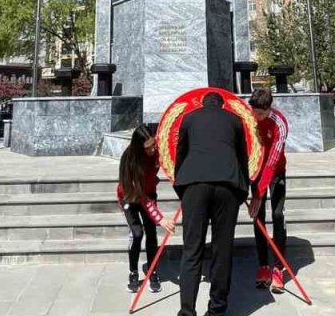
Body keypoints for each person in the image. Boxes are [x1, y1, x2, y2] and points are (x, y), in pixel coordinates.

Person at [173, 91, 250, 316]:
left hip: (194, 185)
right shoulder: (235, 120)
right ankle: (217, 310)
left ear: (203, 104)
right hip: (227, 185)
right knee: (222, 249)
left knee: (192, 250)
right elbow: (242, 157)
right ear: (222, 105)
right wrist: (244, 189)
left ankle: (187, 311)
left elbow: (181, 153)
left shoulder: (189, 118)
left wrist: (181, 185)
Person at [118, 125, 176, 293]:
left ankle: (152, 271)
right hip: (130, 196)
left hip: (148, 194)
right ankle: (133, 272)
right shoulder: (129, 161)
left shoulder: (156, 153)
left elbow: (171, 160)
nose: (153, 149)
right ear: (138, 147)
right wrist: (161, 219)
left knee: (151, 233)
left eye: (154, 144)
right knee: (137, 234)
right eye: (148, 146)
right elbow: (140, 196)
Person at [248, 89, 289, 293]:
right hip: (255, 173)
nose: (258, 117)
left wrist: (258, 193)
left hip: (275, 173)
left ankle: (278, 268)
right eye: (255, 112)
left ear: (269, 108)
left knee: (277, 215)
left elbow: (272, 162)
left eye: (261, 114)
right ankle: (263, 265)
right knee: (258, 217)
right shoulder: (248, 117)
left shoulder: (279, 123)